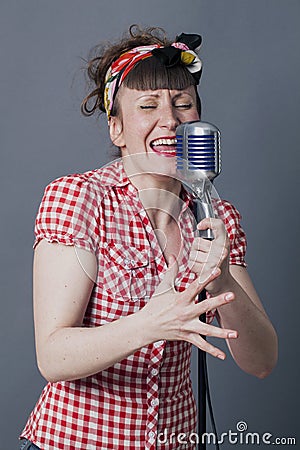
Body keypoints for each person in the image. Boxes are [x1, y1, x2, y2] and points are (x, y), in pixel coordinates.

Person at [19, 26, 278, 450]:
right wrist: (151, 324)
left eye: (183, 104)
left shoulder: (217, 216)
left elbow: (262, 362)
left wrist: (222, 277)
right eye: (147, 105)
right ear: (116, 129)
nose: (170, 120)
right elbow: (53, 356)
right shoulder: (80, 198)